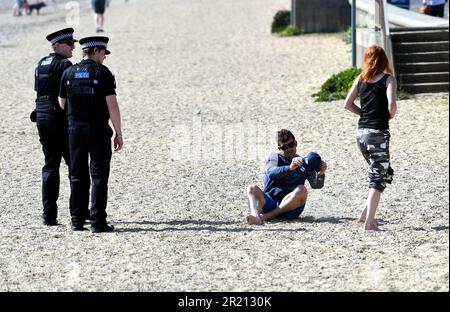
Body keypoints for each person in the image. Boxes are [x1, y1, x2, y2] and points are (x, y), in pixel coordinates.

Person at [59, 36, 123, 232]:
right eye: (103, 53)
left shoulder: (68, 72)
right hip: (97, 131)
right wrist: (119, 133)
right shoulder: (102, 73)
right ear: (95, 51)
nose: (104, 57)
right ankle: (97, 221)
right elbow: (112, 105)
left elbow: (62, 104)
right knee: (99, 176)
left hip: (75, 131)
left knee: (77, 174)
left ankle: (77, 220)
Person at [344, 45, 397, 231]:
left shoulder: (361, 79)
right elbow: (392, 106)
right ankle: (369, 223)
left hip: (361, 135)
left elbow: (347, 104)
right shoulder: (389, 79)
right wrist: (385, 118)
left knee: (383, 171)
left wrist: (363, 115)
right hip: (378, 134)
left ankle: (365, 213)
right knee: (379, 177)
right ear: (384, 59)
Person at [32, 28, 79, 226]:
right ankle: (77, 214)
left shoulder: (41, 63)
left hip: (42, 117)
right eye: (69, 44)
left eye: (73, 44)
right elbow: (69, 95)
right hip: (59, 118)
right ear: (57, 45)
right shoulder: (64, 64)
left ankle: (48, 215)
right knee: (74, 166)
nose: (73, 48)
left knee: (50, 165)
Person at [245, 129, 327, 225]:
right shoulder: (274, 157)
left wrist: (321, 173)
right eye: (284, 147)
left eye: (291, 145)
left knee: (302, 190)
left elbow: (316, 185)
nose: (289, 149)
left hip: (290, 208)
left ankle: (264, 217)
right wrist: (290, 168)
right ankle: (256, 216)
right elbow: (271, 173)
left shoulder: (304, 163)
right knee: (252, 188)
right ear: (279, 148)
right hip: (270, 202)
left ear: (296, 143)